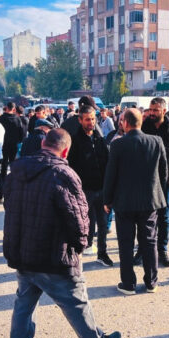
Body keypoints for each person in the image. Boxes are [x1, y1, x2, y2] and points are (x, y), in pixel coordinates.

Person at [3, 128, 121, 338]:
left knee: (23, 306)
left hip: (23, 251)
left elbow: (10, 207)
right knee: (75, 302)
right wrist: (80, 246)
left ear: (43, 143)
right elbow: (79, 217)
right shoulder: (63, 173)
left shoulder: (17, 171)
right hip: (53, 253)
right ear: (65, 150)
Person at [104, 108, 168, 295]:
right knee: (149, 241)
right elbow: (163, 172)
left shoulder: (118, 145)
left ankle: (128, 283)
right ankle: (151, 282)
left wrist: (107, 199)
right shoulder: (156, 141)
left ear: (125, 122)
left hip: (124, 202)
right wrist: (159, 194)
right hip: (149, 200)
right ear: (140, 122)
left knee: (125, 243)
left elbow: (111, 175)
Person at [142, 97, 169, 267]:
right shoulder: (145, 127)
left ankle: (162, 250)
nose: (152, 113)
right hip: (146, 179)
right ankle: (144, 250)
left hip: (166, 181)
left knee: (164, 217)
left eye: (155, 110)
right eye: (150, 110)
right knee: (145, 217)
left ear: (163, 110)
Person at [68, 105, 113, 267]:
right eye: (87, 119)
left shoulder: (100, 139)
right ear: (80, 120)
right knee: (82, 225)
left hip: (101, 189)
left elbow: (107, 163)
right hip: (84, 191)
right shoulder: (75, 141)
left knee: (103, 224)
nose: (91, 122)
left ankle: (102, 253)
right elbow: (70, 168)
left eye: (93, 119)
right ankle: (77, 255)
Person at [0, 102, 25, 179]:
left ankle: (3, 181)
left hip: (4, 144)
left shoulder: (1, 118)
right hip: (14, 144)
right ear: (14, 109)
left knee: (4, 164)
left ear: (6, 107)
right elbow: (21, 132)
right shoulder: (17, 119)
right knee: (13, 163)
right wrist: (19, 141)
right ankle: (13, 180)